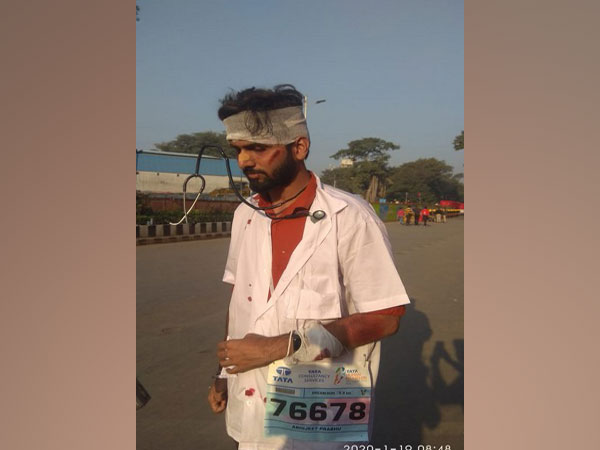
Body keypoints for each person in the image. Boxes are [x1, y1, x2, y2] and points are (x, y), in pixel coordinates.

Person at [207, 84, 410, 450]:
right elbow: (242, 299)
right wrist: (222, 374)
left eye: (258, 148)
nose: (244, 161)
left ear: (298, 147)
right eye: (238, 150)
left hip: (323, 413)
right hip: (251, 402)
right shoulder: (245, 216)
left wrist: (280, 347)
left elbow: (386, 316)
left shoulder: (350, 217)